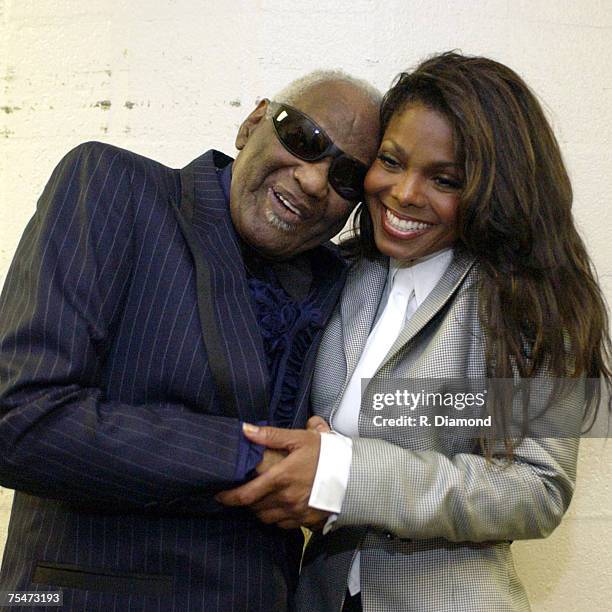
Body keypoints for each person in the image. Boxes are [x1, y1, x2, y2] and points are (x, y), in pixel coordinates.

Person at [217, 52, 611, 611]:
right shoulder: (340, 274)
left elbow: (536, 489)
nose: (403, 194)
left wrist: (344, 476)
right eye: (392, 162)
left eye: (445, 179)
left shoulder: (525, 301)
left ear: (492, 189)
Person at [0, 71, 380, 610]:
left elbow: (466, 425)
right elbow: (17, 417)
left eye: (346, 177)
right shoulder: (114, 186)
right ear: (253, 122)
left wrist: (331, 461)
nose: (315, 181)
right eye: (305, 139)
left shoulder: (340, 281)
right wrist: (248, 457)